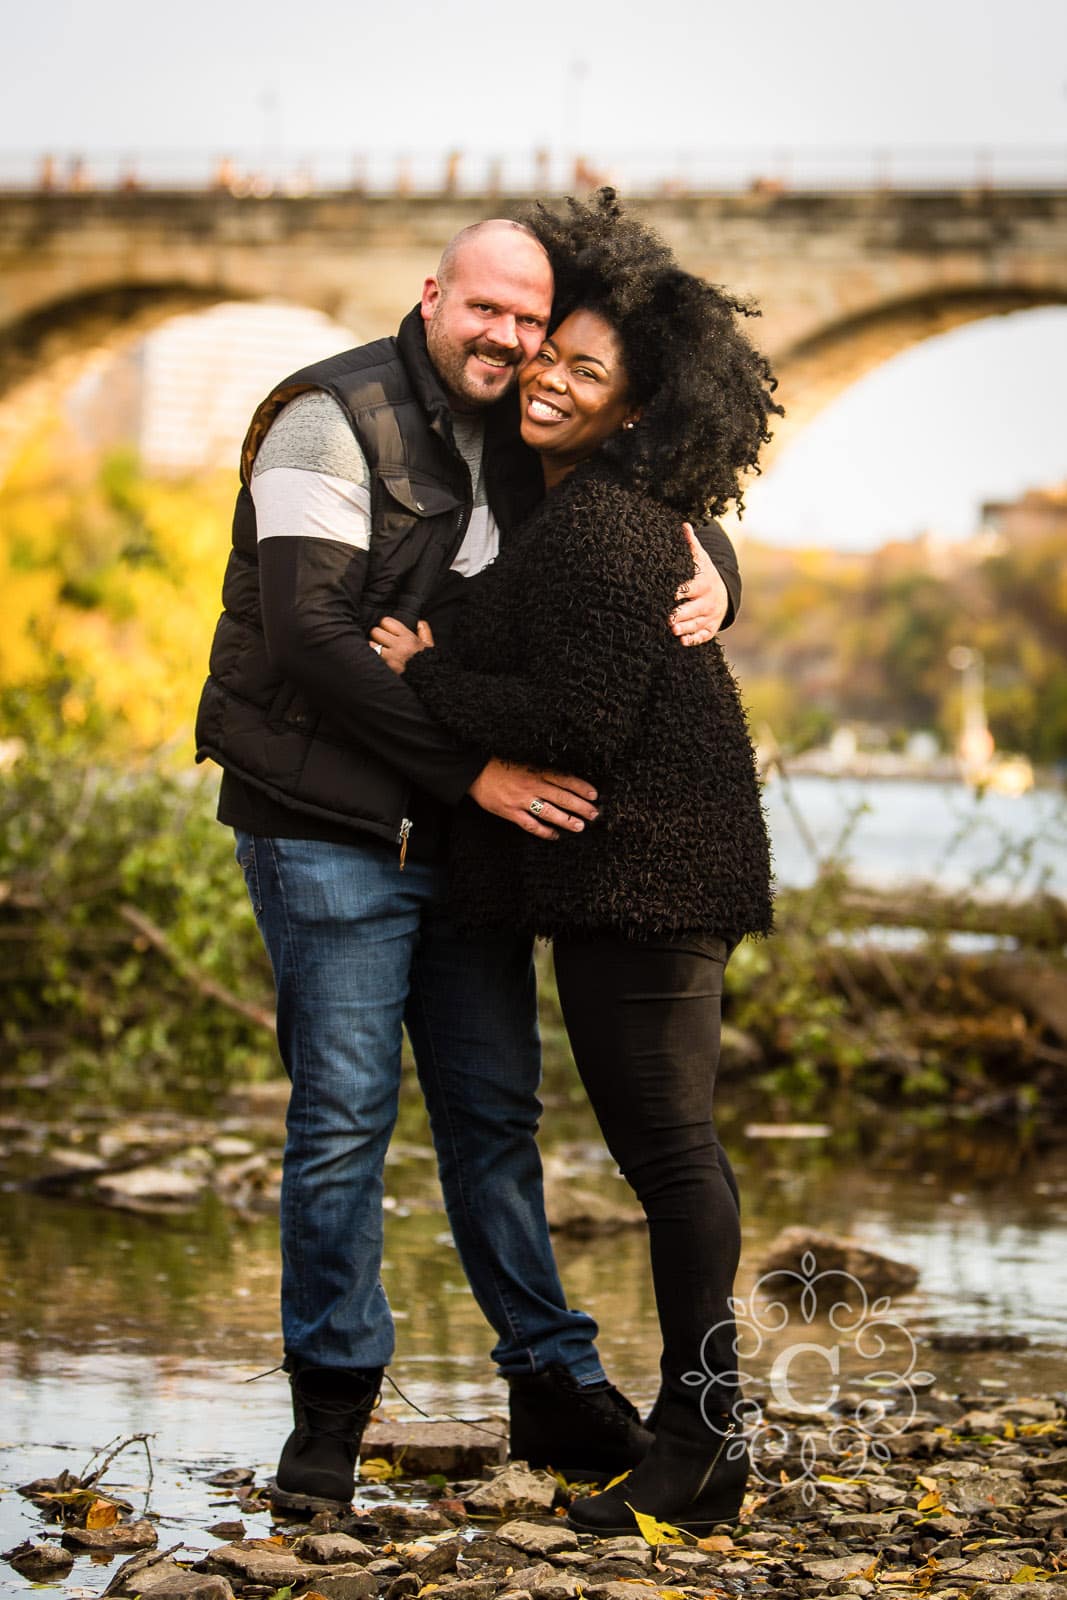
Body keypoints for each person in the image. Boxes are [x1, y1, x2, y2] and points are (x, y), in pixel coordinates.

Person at [194, 212, 743, 1511]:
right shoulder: (327, 420)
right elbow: (314, 633)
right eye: (487, 312)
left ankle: (552, 1383)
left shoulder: (525, 429)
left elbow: (645, 513)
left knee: (494, 1115)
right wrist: (478, 773)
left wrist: (720, 563)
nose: (512, 342)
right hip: (325, 821)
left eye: (532, 323)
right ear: (433, 295)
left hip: (464, 846)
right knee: (342, 1122)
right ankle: (330, 1411)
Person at [373, 192, 779, 1535]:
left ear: (635, 414)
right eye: (551, 351)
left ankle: (700, 1443)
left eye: (584, 370)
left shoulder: (606, 522)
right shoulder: (578, 503)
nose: (545, 372)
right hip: (634, 878)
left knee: (671, 1161)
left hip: (653, 877)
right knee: (671, 1156)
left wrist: (430, 677)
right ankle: (696, 1432)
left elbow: (574, 722)